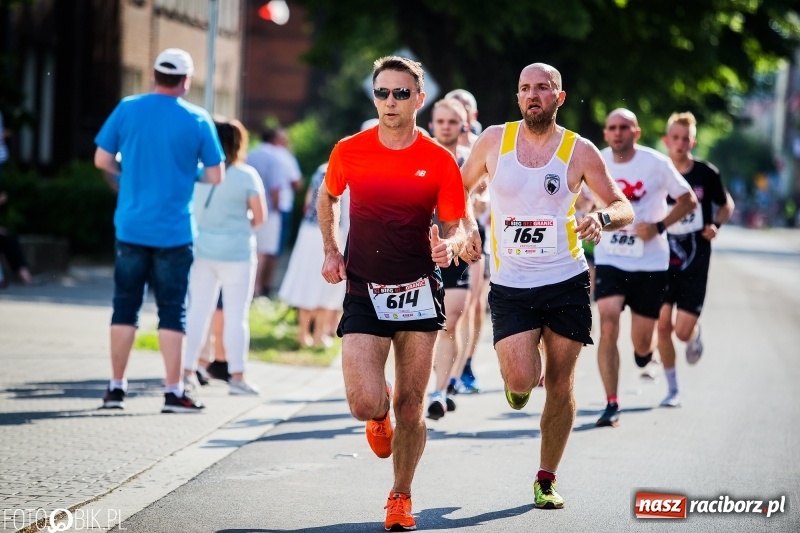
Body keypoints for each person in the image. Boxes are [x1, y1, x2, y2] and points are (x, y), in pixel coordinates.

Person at [460, 63, 634, 509]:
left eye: (542, 87)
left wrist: (601, 217)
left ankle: (546, 478)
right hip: (511, 284)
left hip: (565, 281)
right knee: (522, 378)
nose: (532, 95)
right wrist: (468, 227)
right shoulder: (494, 141)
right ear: (518, 97)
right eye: (525, 88)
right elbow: (457, 191)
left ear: (559, 96)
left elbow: (623, 206)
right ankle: (518, 379)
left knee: (560, 381)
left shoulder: (579, 150)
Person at [317, 56, 469, 531]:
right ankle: (377, 411)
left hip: (419, 289)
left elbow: (458, 225)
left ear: (418, 99)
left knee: (412, 405)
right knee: (364, 403)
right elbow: (328, 195)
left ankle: (400, 496)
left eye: (401, 93)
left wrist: (451, 246)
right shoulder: (350, 150)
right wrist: (331, 250)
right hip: (364, 287)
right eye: (382, 92)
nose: (390, 101)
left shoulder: (438, 160)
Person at [93, 47, 225, 413]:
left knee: (124, 307)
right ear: (186, 81)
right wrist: (188, 173)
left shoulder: (127, 108)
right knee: (172, 311)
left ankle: (115, 389)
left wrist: (125, 176)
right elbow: (216, 174)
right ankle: (173, 391)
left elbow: (102, 159)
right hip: (175, 232)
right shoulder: (197, 118)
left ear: (154, 75)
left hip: (130, 228)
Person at [593, 108, 697, 427]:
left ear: (636, 132)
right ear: (605, 133)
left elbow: (689, 200)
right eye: (612, 127)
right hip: (610, 257)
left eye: (624, 127)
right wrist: (586, 211)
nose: (618, 132)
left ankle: (646, 354)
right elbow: (578, 198)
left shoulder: (656, 163)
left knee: (641, 345)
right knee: (607, 323)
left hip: (650, 263)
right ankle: (612, 403)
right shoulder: (596, 160)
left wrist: (659, 226)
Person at [183, 117, 266, 395]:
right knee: (236, 315)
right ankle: (237, 378)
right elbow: (260, 217)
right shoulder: (247, 175)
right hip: (237, 253)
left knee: (197, 311)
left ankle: (186, 372)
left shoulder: (197, 172)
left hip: (200, 251)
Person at [656, 112, 734, 407]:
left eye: (685, 139)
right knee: (663, 326)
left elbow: (726, 204)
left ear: (693, 142)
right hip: (662, 260)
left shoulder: (706, 173)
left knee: (681, 331)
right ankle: (673, 389)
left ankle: (693, 335)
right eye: (675, 138)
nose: (680, 143)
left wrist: (716, 224)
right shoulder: (658, 172)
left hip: (695, 260)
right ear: (666, 140)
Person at [425, 97, 472, 420]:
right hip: (419, 250)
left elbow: (482, 199)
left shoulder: (470, 160)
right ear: (432, 124)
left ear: (463, 126)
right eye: (440, 121)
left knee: (450, 321)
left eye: (452, 122)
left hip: (457, 248)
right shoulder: (421, 155)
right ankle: (412, 387)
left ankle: (439, 392)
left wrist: (475, 208)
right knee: (417, 327)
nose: (445, 127)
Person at [278, 159, 349, 348]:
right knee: (329, 282)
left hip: (308, 232)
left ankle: (303, 333)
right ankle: (319, 334)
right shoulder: (348, 173)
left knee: (306, 280)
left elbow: (308, 203)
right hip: (333, 233)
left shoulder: (321, 169)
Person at [246, 129, 284, 298]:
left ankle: (252, 286)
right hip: (267, 209)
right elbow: (276, 188)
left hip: (248, 207)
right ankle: (257, 287)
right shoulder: (274, 158)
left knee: (254, 247)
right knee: (264, 250)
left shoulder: (251, 153)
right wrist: (277, 207)